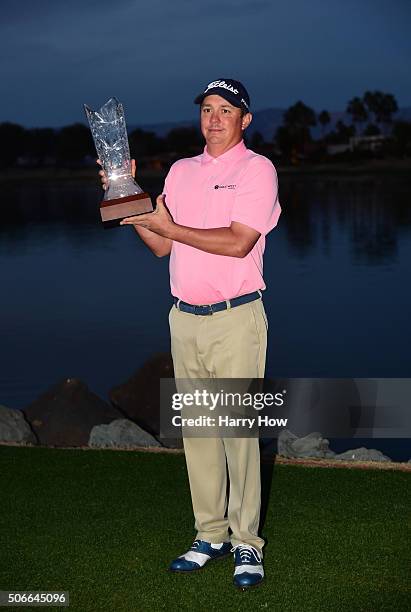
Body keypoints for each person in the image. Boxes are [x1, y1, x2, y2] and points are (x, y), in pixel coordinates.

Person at [98, 78, 281, 589]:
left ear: (245, 121)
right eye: (207, 109)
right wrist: (126, 196)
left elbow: (239, 243)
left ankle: (248, 542)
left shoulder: (257, 169)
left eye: (227, 110)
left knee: (239, 436)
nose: (214, 118)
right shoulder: (179, 171)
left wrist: (170, 228)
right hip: (185, 319)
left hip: (236, 317)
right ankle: (210, 534)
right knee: (200, 435)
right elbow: (161, 247)